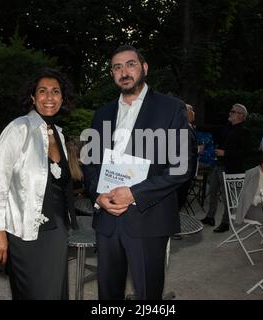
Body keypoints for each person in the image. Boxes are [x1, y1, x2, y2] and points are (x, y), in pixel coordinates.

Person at [82, 45, 192, 300]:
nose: (124, 72)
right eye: (117, 67)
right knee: (108, 293)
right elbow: (89, 162)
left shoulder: (171, 108)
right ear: (112, 75)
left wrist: (133, 193)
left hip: (148, 216)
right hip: (107, 218)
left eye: (130, 64)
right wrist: (98, 195)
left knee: (147, 294)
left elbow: (182, 166)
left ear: (144, 68)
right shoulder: (102, 113)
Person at [0, 68, 78, 300]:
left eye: (56, 91)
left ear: (62, 98)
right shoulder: (18, 129)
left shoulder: (60, 135)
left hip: (57, 231)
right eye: (42, 91)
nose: (49, 97)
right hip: (25, 233)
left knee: (55, 293)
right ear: (33, 97)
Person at [201, 103, 251, 232]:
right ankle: (210, 217)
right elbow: (214, 130)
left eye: (232, 111)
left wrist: (226, 153)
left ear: (240, 115)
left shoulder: (244, 131)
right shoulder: (227, 127)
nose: (230, 113)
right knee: (212, 193)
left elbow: (245, 153)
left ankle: (225, 223)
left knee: (227, 197)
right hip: (219, 165)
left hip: (231, 169)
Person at [176, 104, 198, 209]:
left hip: (186, 172)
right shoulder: (183, 129)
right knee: (178, 201)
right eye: (192, 110)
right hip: (183, 172)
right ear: (186, 113)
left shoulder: (189, 127)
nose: (194, 113)